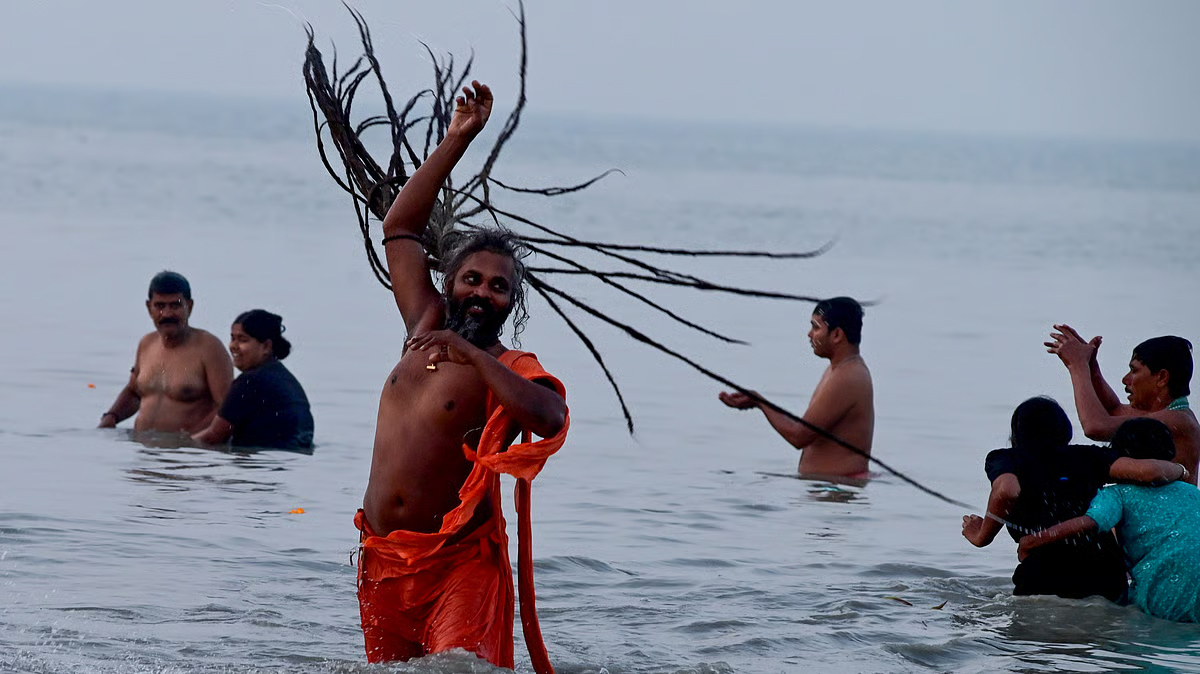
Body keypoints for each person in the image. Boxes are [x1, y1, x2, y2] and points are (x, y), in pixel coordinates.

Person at [353, 81, 568, 668]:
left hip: (459, 565)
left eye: (499, 287)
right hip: (383, 561)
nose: (482, 293)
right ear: (449, 281)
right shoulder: (421, 322)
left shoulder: (508, 366)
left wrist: (470, 354)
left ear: (511, 304)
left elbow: (550, 416)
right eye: (472, 279)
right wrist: (457, 139)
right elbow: (399, 229)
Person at [961, 397, 1184, 601]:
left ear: (1017, 433)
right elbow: (1152, 471)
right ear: (1064, 430)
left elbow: (1007, 490)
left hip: (1044, 575)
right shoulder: (1089, 456)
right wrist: (1183, 471)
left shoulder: (1007, 458)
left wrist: (981, 536)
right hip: (1105, 576)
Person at [1018, 418, 1200, 622]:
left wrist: (1033, 540)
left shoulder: (1117, 494)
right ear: (1169, 453)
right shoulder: (1192, 491)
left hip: (1165, 597)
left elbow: (1089, 522)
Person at [718, 296, 874, 478]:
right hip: (829, 490)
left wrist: (760, 402)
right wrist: (758, 401)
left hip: (838, 492)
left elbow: (799, 436)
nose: (809, 334)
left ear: (837, 335)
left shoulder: (848, 377)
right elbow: (805, 429)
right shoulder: (838, 370)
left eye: (816, 327)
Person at [1046, 326, 1198, 484]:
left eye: (1134, 370)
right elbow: (1113, 410)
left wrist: (1077, 366)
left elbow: (1095, 427)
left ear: (1162, 377)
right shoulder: (1165, 413)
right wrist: (1091, 366)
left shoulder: (1179, 420)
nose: (1125, 380)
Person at [99, 271, 233, 434]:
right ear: (149, 308)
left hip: (188, 454)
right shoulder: (146, 343)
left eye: (175, 305)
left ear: (189, 306)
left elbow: (228, 409)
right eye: (160, 306)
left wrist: (193, 440)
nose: (167, 314)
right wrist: (111, 417)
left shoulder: (209, 348)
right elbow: (134, 392)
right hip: (142, 451)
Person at [192, 310, 314, 450]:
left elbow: (213, 437)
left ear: (266, 346)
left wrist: (175, 448)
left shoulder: (250, 382)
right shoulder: (284, 378)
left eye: (243, 340)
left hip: (263, 462)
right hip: (293, 461)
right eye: (233, 338)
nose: (234, 346)